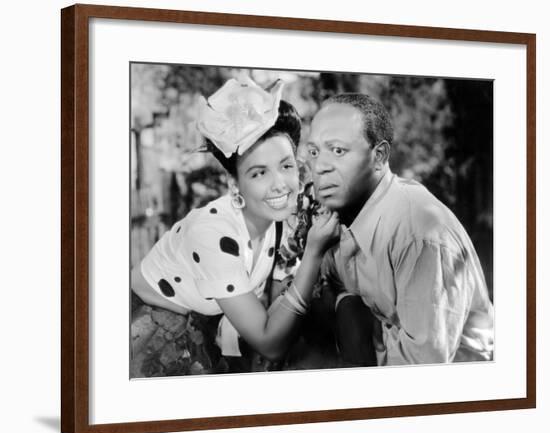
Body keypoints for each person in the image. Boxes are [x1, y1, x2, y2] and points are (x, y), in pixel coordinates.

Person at [131, 76, 339, 363]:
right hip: (149, 335)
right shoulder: (213, 234)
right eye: (258, 173)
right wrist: (314, 252)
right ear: (234, 183)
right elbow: (271, 344)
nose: (280, 184)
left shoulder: (278, 216)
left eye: (286, 166)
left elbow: (277, 302)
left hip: (205, 324)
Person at [306, 93, 494, 366]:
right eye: (314, 152)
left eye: (338, 150)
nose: (320, 167)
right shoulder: (346, 217)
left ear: (379, 156)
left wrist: (358, 337)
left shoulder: (419, 234)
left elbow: (424, 366)